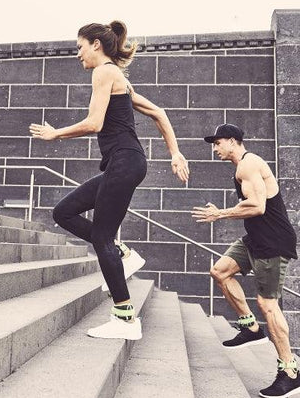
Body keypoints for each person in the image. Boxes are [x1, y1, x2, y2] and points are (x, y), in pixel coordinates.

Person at [29, 20, 189, 340]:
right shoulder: (120, 79)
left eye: (79, 47)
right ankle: (123, 254)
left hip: (124, 162)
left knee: (101, 236)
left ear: (96, 45)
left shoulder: (103, 72)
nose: (78, 54)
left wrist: (56, 134)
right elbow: (159, 113)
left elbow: (94, 123)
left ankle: (125, 318)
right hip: (125, 163)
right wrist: (175, 153)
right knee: (64, 212)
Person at [191, 123, 300, 398]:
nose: (215, 149)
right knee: (220, 271)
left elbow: (257, 206)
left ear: (232, 141)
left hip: (273, 242)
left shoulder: (248, 164)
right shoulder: (241, 167)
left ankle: (290, 372)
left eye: (218, 143)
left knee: (268, 305)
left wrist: (220, 214)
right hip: (255, 239)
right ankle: (250, 327)